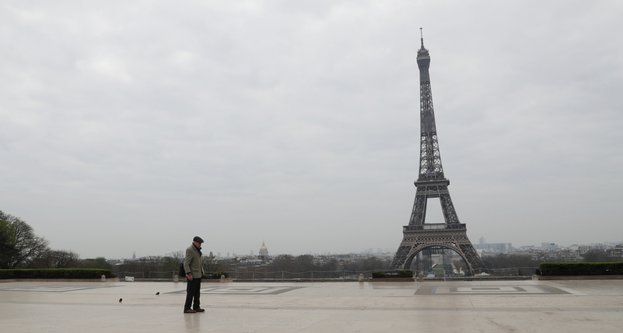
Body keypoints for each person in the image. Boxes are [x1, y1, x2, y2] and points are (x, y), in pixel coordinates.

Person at [183, 236, 205, 313]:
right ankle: (187, 308)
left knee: (197, 293)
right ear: (194, 242)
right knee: (190, 293)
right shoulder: (190, 250)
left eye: (201, 243)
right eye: (199, 243)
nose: (200, 245)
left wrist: (202, 272)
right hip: (192, 276)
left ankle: (196, 307)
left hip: (198, 275)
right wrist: (188, 274)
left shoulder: (198, 250)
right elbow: (186, 263)